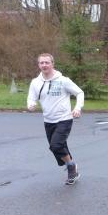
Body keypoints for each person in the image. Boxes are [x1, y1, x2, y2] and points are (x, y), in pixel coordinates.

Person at [27, 53, 85, 185]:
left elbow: (79, 92)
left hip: (64, 118)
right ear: (38, 65)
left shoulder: (63, 80)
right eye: (41, 63)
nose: (44, 65)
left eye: (47, 62)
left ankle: (71, 166)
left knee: (56, 145)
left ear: (52, 64)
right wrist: (31, 104)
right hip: (48, 120)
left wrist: (77, 108)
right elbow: (31, 97)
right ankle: (72, 167)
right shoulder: (35, 82)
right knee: (58, 146)